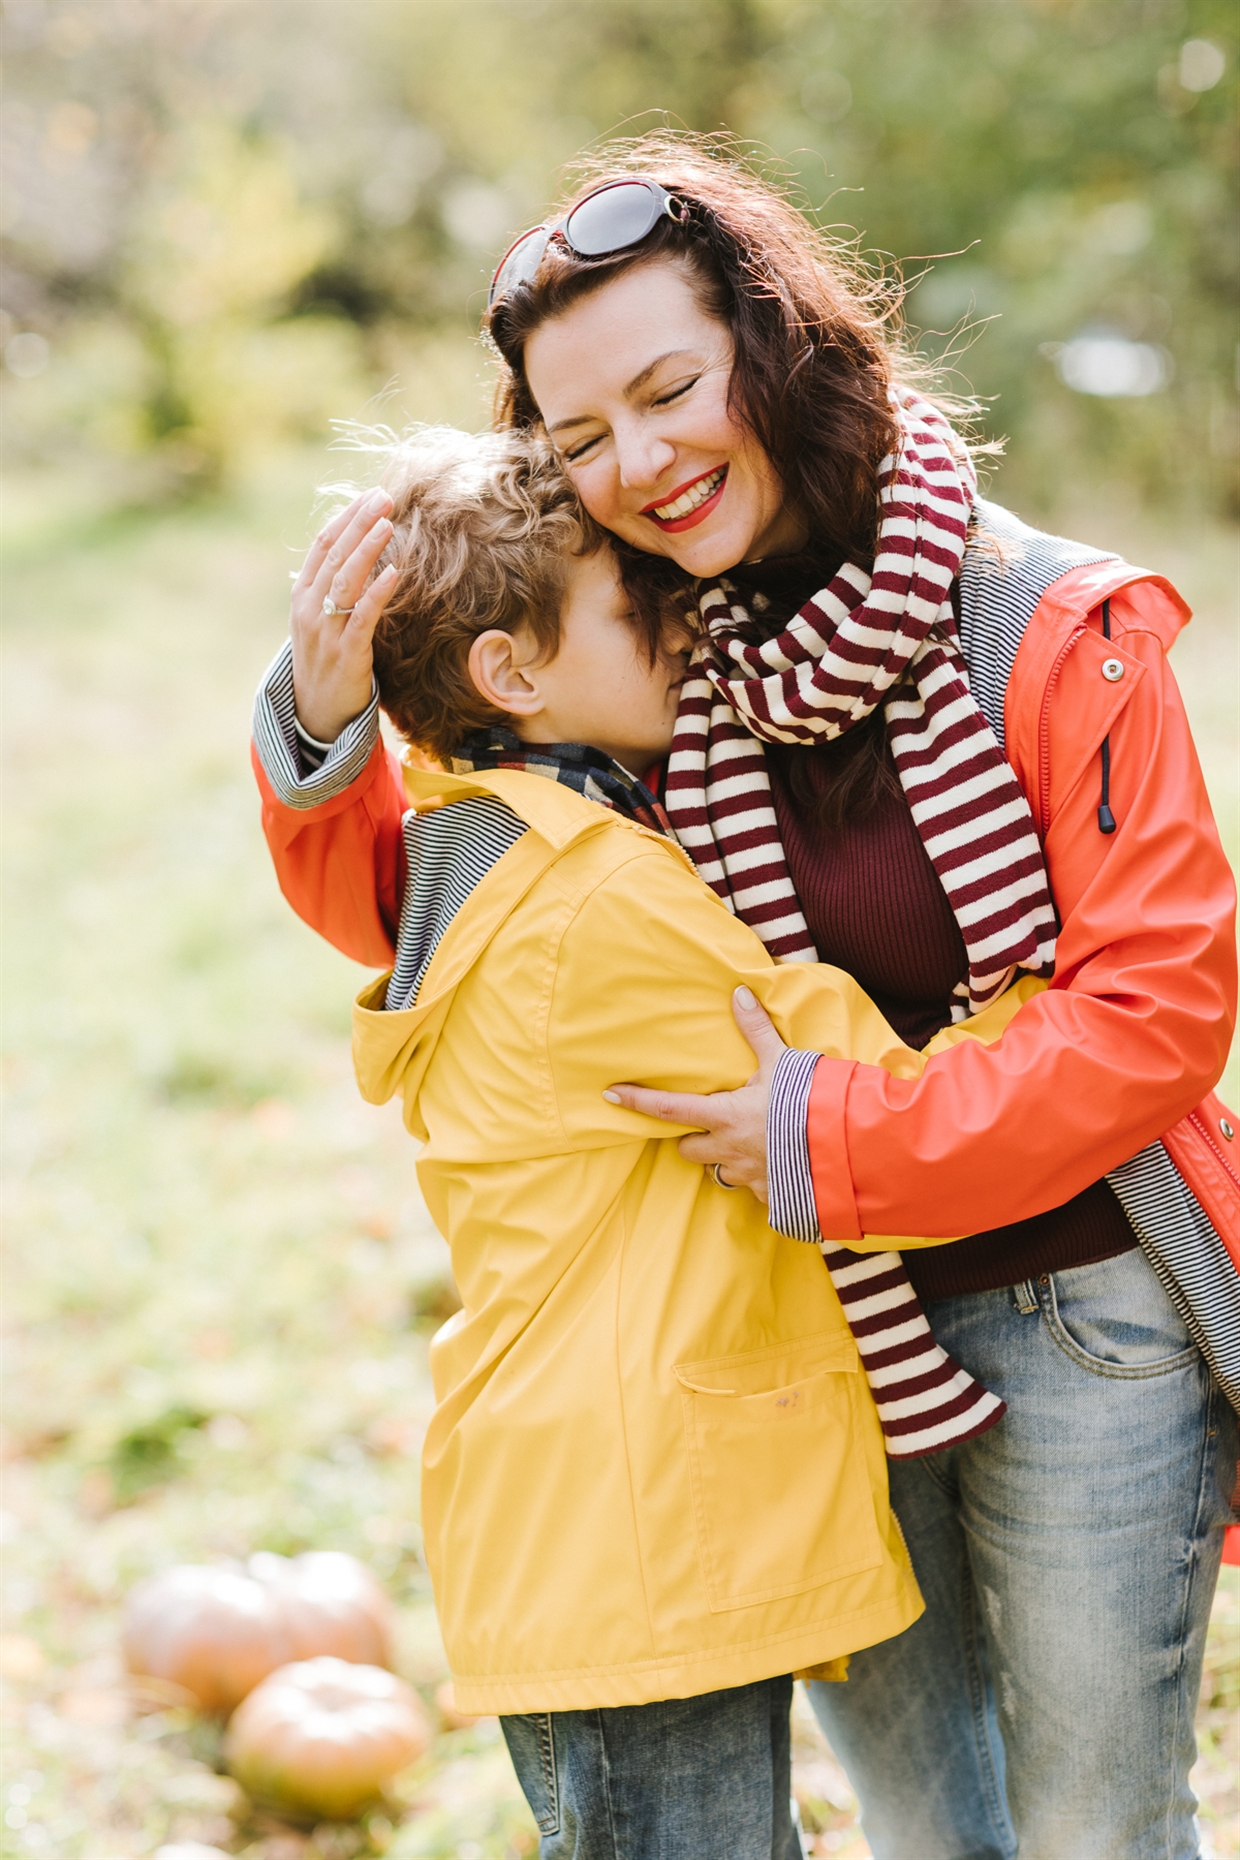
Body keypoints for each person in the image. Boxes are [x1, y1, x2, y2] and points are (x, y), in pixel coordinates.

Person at [261, 138, 1239, 1859]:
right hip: (815, 1342)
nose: (640, 463)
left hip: (1081, 1315)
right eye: (581, 439)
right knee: (931, 1823)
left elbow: (1152, 1012)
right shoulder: (637, 662)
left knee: (1098, 1828)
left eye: (669, 387)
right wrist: (329, 726)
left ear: (772, 347)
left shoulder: (1040, 626)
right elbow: (430, 918)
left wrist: (832, 1132)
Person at [253, 422, 1051, 1859]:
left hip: (585, 1513)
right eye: (637, 602)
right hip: (633, 1530)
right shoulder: (595, 901)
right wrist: (1053, 1002)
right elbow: (838, 1072)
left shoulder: (475, 842)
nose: (684, 616)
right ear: (512, 674)